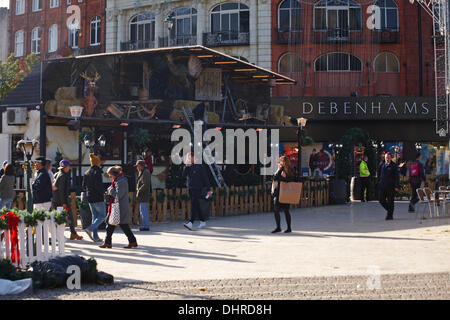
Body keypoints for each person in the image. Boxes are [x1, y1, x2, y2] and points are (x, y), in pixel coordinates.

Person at [99, 166, 137, 249]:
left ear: (114, 174)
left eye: (110, 175)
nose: (110, 177)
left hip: (120, 207)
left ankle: (132, 241)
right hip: (115, 206)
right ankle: (108, 242)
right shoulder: (117, 181)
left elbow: (118, 195)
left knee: (122, 225)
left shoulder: (122, 182)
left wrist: (111, 190)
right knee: (110, 224)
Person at [53, 160, 83, 240]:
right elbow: (61, 190)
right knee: (70, 217)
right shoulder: (63, 176)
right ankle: (72, 233)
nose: (68, 168)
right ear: (66, 167)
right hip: (62, 200)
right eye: (68, 167)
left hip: (56, 200)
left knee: (60, 217)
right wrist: (63, 203)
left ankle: (71, 233)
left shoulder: (57, 174)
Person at [182, 153, 212, 231]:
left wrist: (208, 190)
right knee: (196, 205)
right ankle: (202, 221)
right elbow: (183, 176)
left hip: (198, 189)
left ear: (194, 157)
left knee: (193, 205)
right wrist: (186, 166)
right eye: (188, 157)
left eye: (190, 157)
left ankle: (190, 223)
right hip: (191, 188)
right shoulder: (189, 167)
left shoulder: (200, 166)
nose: (188, 159)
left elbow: (205, 179)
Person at [82, 153, 106, 242]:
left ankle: (95, 237)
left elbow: (83, 186)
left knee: (95, 216)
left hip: (89, 196)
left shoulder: (86, 172)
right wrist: (103, 193)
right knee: (102, 215)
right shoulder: (98, 172)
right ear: (97, 163)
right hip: (98, 197)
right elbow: (98, 186)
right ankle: (90, 229)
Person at [271, 155, 294, 233]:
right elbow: (274, 178)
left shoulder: (290, 170)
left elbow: (291, 180)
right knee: (276, 209)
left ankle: (289, 228)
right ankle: (278, 227)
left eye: (282, 161)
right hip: (278, 191)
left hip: (286, 191)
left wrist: (284, 178)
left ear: (286, 162)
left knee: (286, 210)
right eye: (280, 161)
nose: (281, 162)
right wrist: (278, 170)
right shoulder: (279, 169)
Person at [377, 152, 400, 220]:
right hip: (382, 186)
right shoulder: (381, 164)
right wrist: (379, 182)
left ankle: (390, 215)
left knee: (390, 201)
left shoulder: (394, 166)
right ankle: (389, 210)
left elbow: (396, 177)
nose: (387, 159)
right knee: (381, 200)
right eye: (386, 157)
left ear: (391, 158)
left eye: (388, 158)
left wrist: (396, 186)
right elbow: (379, 174)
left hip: (391, 186)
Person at [135, 160, 152, 231]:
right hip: (142, 194)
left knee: (143, 210)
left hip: (144, 194)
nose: (137, 168)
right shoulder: (142, 172)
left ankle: (146, 226)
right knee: (142, 210)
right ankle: (144, 225)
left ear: (141, 166)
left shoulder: (145, 172)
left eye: (137, 166)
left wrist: (139, 190)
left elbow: (146, 184)